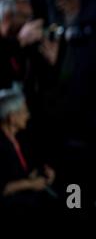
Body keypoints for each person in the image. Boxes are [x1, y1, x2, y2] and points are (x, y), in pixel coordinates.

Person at [0, 88, 58, 216]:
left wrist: (41, 173)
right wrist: (30, 184)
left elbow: (24, 171)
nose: (28, 116)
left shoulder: (20, 138)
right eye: (24, 112)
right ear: (12, 117)